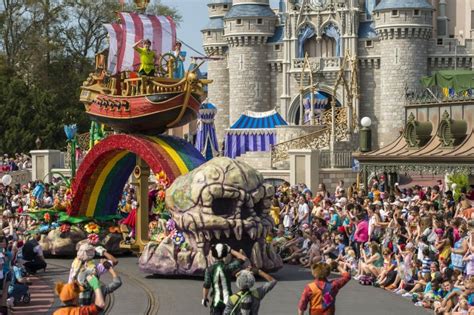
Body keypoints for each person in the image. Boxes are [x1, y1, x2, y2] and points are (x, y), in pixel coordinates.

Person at [202, 243, 248, 315]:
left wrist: (204, 298)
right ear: (225, 254)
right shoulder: (229, 267)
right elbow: (243, 258)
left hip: (216, 303)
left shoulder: (209, 270)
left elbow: (206, 285)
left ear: (213, 254)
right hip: (228, 301)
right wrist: (230, 250)